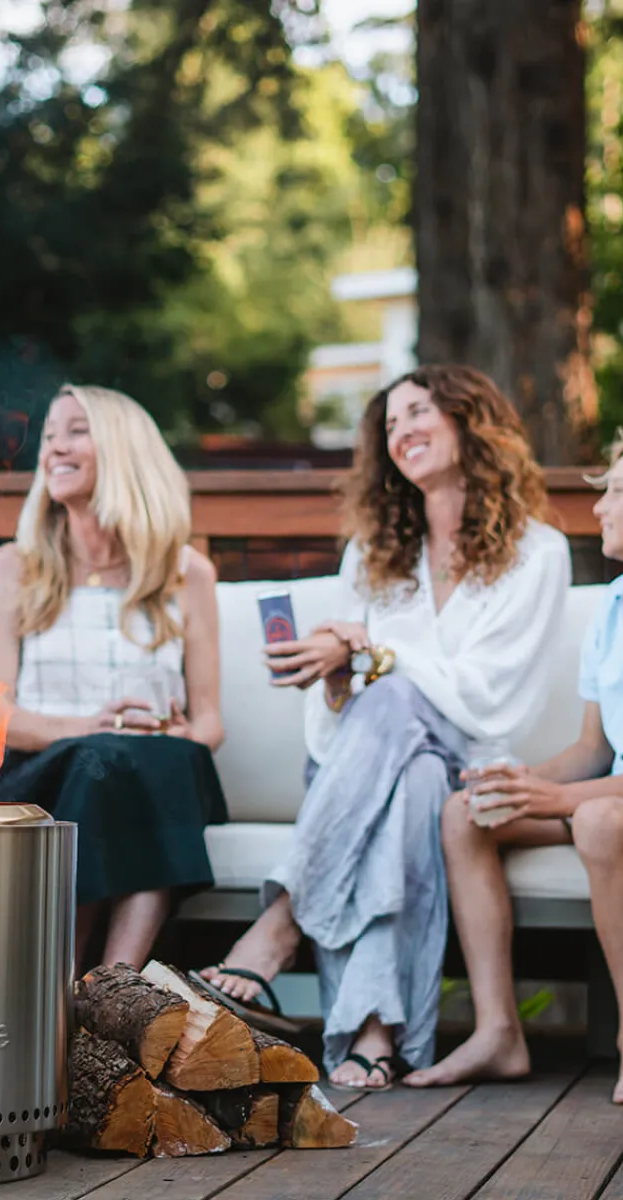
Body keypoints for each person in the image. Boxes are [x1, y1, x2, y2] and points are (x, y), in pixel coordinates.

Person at [198, 364, 570, 1088]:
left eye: (419, 412)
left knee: (419, 756)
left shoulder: (538, 553)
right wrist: (338, 674)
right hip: (365, 763)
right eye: (391, 424)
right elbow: (344, 712)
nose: (402, 432)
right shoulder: (373, 557)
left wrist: (376, 656)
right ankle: (374, 1030)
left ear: (471, 422)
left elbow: (494, 693)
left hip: (466, 761)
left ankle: (285, 922)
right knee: (412, 773)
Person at [406, 431, 623, 1105]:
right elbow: (593, 747)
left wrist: (567, 799)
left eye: (616, 491)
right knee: (468, 813)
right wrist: (523, 783)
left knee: (597, 818)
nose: (600, 508)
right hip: (616, 804)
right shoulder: (611, 609)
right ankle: (499, 1032)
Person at [0, 384, 226, 976]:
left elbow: (211, 722)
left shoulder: (187, 573)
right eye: (49, 436)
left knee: (158, 759)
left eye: (76, 431)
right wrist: (89, 728)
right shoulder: (12, 568)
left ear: (122, 448)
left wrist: (175, 737)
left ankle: (102, 991)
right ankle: (96, 982)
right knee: (102, 760)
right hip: (44, 777)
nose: (54, 448)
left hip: (149, 774)